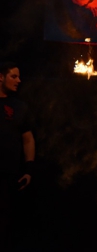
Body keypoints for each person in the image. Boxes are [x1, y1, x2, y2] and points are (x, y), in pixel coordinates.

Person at [0, 61, 35, 252]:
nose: (18, 80)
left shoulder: (19, 107)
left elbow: (28, 139)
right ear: (0, 77)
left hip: (9, 177)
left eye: (19, 76)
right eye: (14, 76)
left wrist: (29, 169)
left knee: (5, 226)